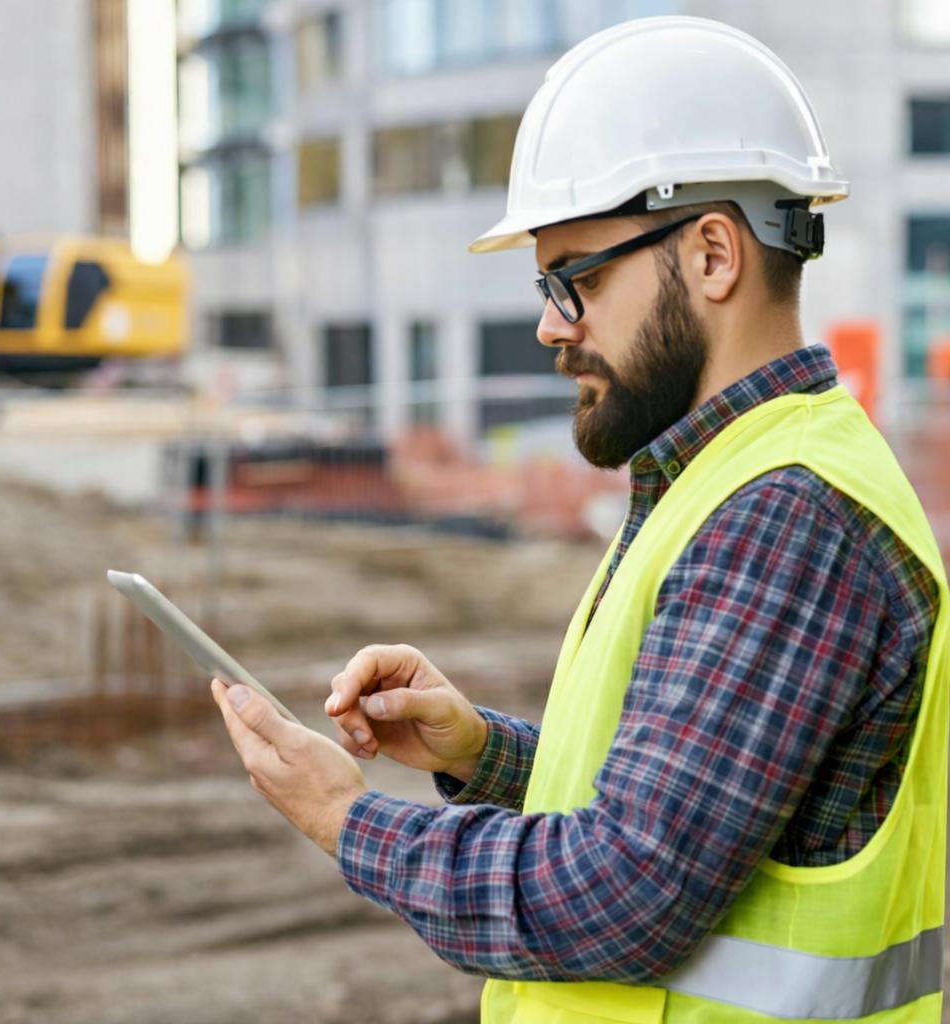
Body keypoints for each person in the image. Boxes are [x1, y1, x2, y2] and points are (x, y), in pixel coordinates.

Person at [209, 15, 950, 1022]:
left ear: (714, 255)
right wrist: (483, 753)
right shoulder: (729, 480)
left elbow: (625, 889)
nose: (554, 324)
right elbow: (697, 803)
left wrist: (351, 821)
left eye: (580, 279)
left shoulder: (783, 513)